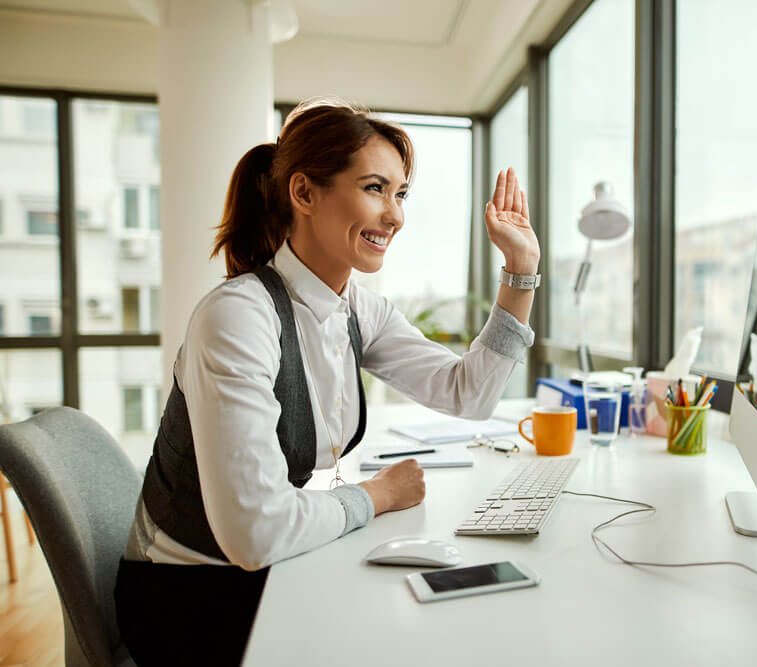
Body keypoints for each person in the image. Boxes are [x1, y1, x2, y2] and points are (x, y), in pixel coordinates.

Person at [113, 99, 539, 666]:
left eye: (401, 194)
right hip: (190, 597)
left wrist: (521, 272)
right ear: (305, 193)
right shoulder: (239, 315)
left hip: (263, 570)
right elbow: (254, 533)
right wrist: (375, 495)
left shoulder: (358, 308)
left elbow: (469, 394)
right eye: (374, 188)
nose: (396, 216)